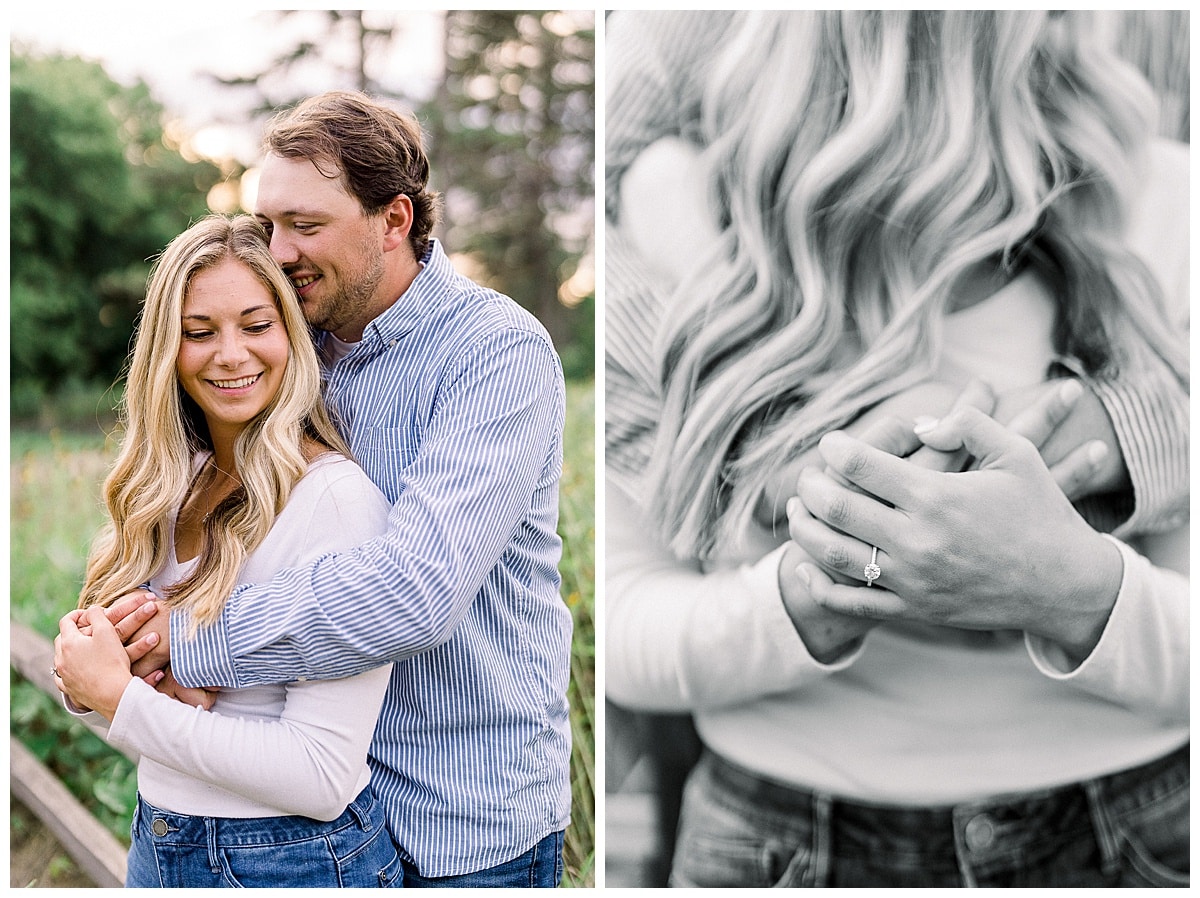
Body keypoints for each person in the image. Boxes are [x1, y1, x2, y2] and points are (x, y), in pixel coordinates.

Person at [605, 10, 1188, 888]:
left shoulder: (1159, 207)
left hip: (1132, 832)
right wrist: (819, 590)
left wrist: (1067, 590)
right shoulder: (690, 244)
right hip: (783, 838)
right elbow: (624, 625)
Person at [64, 90, 573, 888]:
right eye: (270, 224)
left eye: (306, 225)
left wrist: (182, 639)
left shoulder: (495, 353)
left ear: (394, 221)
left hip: (463, 818)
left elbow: (417, 591)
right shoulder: (292, 341)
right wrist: (124, 656)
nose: (280, 248)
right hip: (314, 822)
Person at [53, 214, 400, 887]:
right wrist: (87, 666)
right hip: (162, 840)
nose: (231, 355)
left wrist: (123, 700)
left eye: (256, 325)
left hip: (294, 861)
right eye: (199, 332)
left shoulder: (334, 501)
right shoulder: (171, 485)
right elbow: (108, 684)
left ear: (291, 335)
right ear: (167, 350)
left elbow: (321, 774)